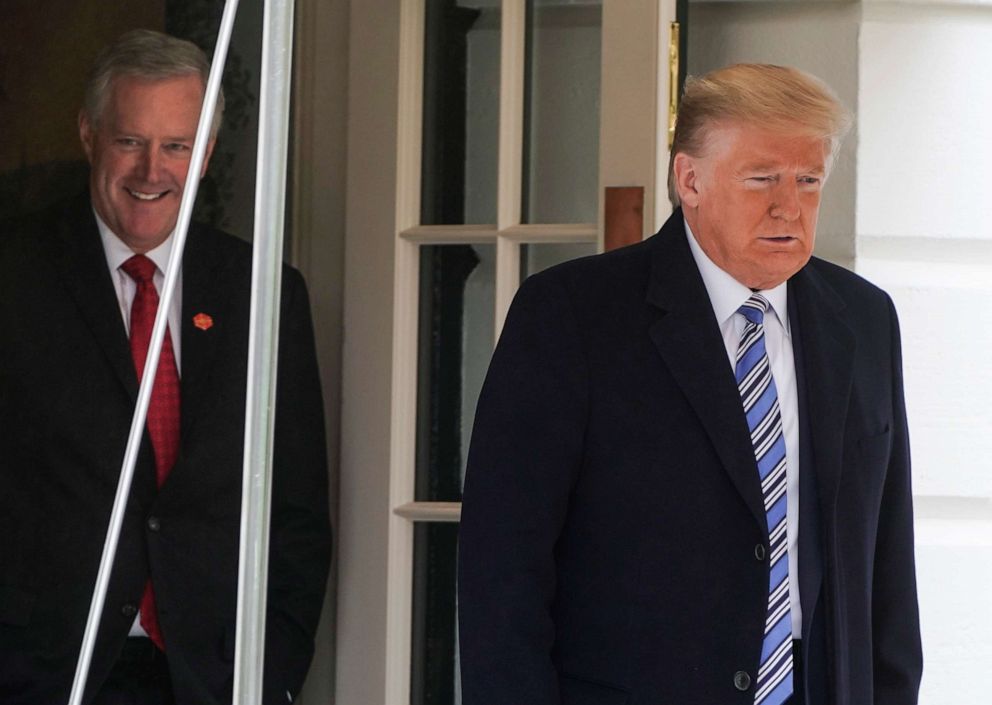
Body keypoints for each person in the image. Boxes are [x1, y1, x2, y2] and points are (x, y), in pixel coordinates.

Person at [458, 64, 922, 705]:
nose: (789, 206)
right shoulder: (573, 314)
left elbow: (888, 559)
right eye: (762, 178)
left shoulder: (865, 320)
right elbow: (502, 565)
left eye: (808, 180)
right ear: (690, 179)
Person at [0, 29, 330, 704]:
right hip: (42, 674)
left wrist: (269, 677)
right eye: (131, 141)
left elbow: (295, 511)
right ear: (90, 135)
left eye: (176, 145)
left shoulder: (262, 290)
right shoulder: (14, 274)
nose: (153, 171)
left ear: (205, 154)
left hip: (207, 678)